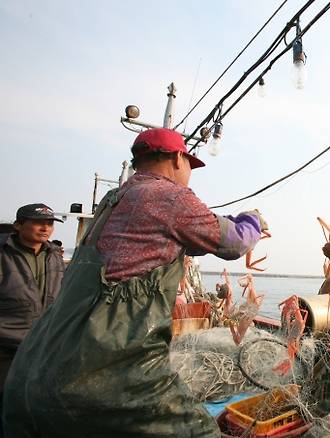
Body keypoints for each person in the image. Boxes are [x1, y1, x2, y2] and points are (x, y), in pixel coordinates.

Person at [3, 128, 267, 437]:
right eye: (190, 167)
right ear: (179, 158)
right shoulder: (169, 195)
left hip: (34, 369)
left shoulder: (113, 199)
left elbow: (183, 235)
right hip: (103, 372)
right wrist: (253, 221)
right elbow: (234, 243)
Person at [0, 204, 65, 437]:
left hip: (41, 346)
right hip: (6, 347)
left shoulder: (54, 257)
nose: (45, 228)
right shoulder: (3, 254)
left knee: (33, 409)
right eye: (38, 222)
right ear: (18, 225)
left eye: (49, 224)